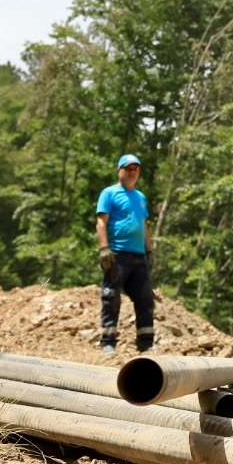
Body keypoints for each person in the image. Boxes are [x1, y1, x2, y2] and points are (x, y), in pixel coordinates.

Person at [96, 152, 155, 358]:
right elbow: (101, 222)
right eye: (128, 168)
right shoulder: (109, 193)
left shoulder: (140, 197)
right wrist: (104, 248)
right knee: (111, 297)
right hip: (117, 255)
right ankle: (108, 342)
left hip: (138, 256)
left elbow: (143, 226)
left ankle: (146, 344)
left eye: (135, 169)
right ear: (119, 171)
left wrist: (149, 250)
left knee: (146, 298)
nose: (132, 172)